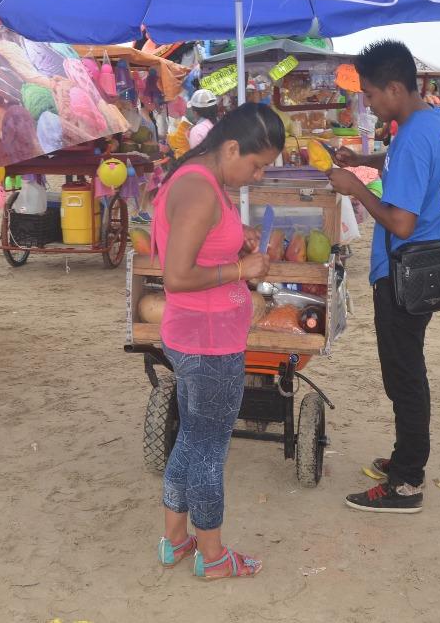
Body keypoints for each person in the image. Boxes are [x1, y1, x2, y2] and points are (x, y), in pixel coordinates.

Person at [326, 40, 440, 514]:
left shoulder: (412, 135)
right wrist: (368, 163)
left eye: (370, 94)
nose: (367, 103)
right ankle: (406, 457)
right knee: (408, 370)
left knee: (404, 376)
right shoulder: (435, 122)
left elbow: (401, 222)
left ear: (395, 87)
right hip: (433, 264)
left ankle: (407, 481)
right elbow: (416, 169)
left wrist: (355, 187)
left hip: (407, 270)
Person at [153, 102, 283, 579]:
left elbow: (199, 241)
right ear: (231, 148)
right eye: (257, 164)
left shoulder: (202, 178)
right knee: (209, 448)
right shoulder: (198, 189)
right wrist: (239, 268)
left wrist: (236, 237)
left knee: (191, 437)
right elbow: (177, 276)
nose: (259, 175)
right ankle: (213, 557)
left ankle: (174, 541)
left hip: (197, 335)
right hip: (207, 342)